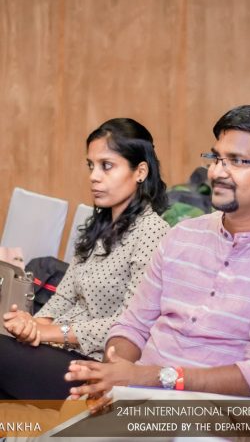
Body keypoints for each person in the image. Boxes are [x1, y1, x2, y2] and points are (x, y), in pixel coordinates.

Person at [65, 104, 250, 408]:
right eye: (216, 158)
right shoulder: (182, 236)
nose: (216, 172)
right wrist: (112, 375)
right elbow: (133, 326)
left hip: (215, 417)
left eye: (236, 161)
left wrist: (150, 378)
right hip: (137, 399)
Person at [0, 118, 170, 399]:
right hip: (59, 348)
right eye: (91, 165)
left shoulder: (152, 233)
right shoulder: (97, 226)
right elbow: (64, 297)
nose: (94, 176)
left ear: (140, 171)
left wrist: (48, 332)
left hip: (96, 363)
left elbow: (130, 323)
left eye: (107, 166)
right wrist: (30, 325)